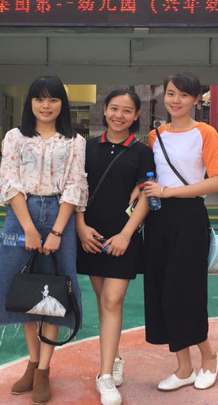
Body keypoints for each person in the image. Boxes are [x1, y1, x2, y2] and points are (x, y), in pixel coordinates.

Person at [0, 75, 88, 405]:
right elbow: (10, 181)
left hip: (60, 214)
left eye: (53, 99)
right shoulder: (15, 137)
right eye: (39, 99)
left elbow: (74, 185)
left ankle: (45, 369)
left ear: (62, 104)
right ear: (30, 102)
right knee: (22, 287)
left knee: (55, 290)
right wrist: (29, 229)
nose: (46, 106)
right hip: (22, 213)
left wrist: (57, 231)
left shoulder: (74, 140)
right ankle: (32, 363)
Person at [141, 72, 218, 393]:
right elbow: (150, 178)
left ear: (195, 99)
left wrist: (169, 192)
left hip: (189, 217)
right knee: (162, 292)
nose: (175, 100)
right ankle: (183, 368)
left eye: (183, 95)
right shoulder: (155, 136)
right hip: (157, 219)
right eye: (170, 93)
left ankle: (210, 358)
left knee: (186, 291)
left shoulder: (205, 133)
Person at [76, 89, 154, 405]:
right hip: (91, 237)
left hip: (124, 238)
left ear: (136, 116)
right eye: (114, 108)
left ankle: (105, 376)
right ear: (104, 109)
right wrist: (80, 227)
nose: (119, 115)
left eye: (127, 110)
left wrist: (126, 235)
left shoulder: (142, 151)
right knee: (103, 299)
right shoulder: (86, 147)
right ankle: (115, 356)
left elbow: (147, 195)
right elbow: (76, 189)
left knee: (112, 299)